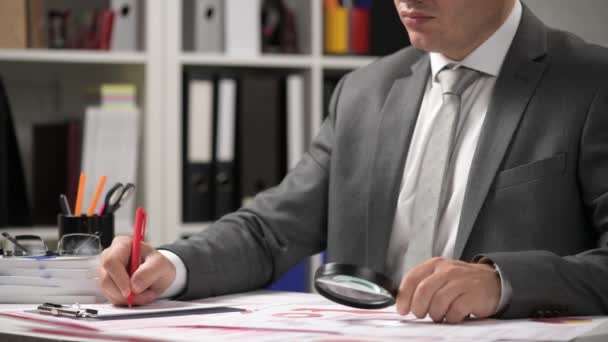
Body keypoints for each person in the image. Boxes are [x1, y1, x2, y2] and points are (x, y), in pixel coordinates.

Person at [98, 0, 608, 323]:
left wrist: (502, 283)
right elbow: (270, 229)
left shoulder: (592, 82)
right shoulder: (364, 91)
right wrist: (169, 265)